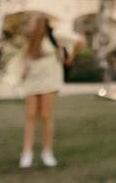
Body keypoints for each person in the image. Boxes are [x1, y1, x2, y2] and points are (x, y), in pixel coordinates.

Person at [16, 13, 81, 169]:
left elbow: (80, 41)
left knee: (46, 116)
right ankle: (27, 152)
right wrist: (23, 71)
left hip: (50, 81)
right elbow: (24, 57)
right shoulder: (29, 39)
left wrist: (69, 59)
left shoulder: (55, 36)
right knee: (30, 115)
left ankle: (47, 152)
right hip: (31, 81)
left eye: (33, 22)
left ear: (41, 24)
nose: (31, 25)